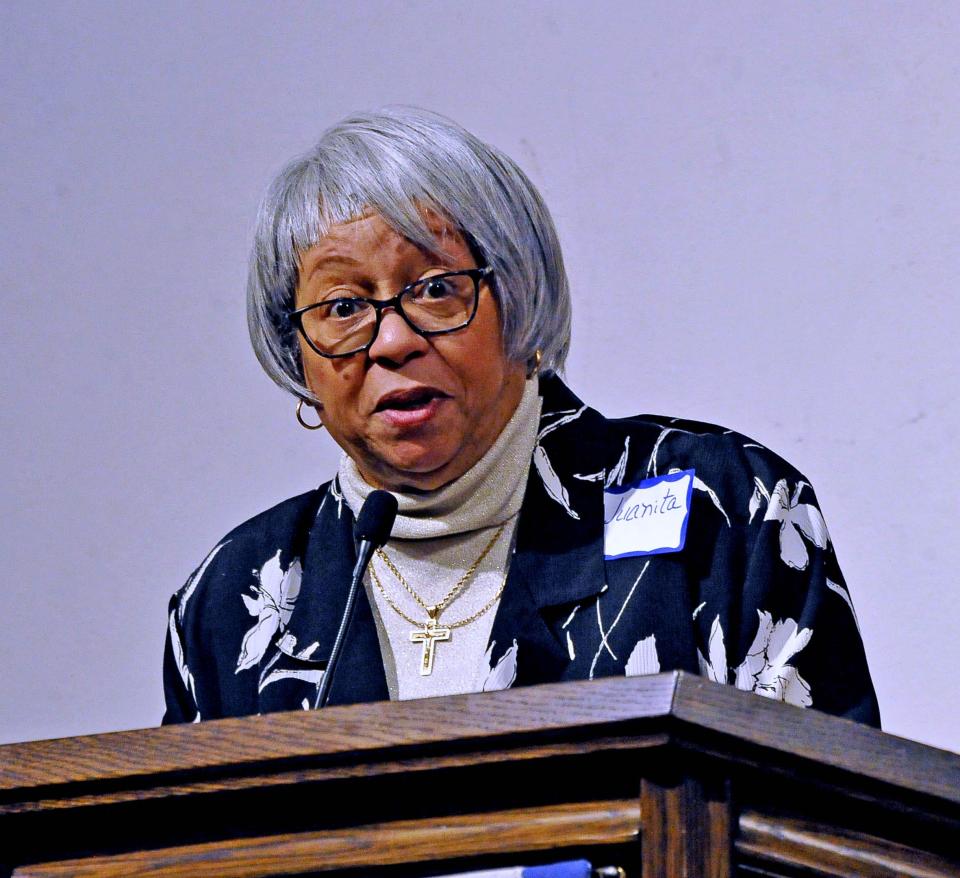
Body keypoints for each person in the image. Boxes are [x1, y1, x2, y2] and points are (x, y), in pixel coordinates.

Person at [162, 108, 880, 726]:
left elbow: (827, 826)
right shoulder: (235, 597)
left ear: (520, 297)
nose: (392, 340)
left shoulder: (723, 511)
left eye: (437, 288)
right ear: (298, 355)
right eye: (343, 307)